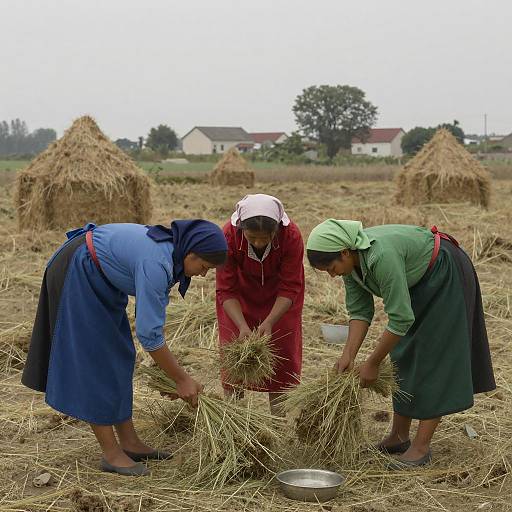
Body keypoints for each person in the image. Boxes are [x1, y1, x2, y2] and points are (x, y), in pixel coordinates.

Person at [22, 220, 227, 476]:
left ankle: (129, 442)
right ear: (191, 253)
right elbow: (149, 335)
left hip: (101, 279)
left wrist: (175, 377)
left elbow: (151, 328)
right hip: (78, 270)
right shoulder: (157, 262)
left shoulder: (170, 256)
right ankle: (111, 453)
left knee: (119, 354)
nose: (203, 274)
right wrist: (181, 379)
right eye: (204, 267)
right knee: (96, 363)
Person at [306, 219, 495, 468]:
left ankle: (420, 447)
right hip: (418, 281)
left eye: (331, 267)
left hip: (444, 273)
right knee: (402, 352)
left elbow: (400, 317)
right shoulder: (351, 265)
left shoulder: (381, 256)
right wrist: (348, 356)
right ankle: (398, 436)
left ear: (344, 252)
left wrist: (373, 363)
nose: (332, 275)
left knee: (433, 357)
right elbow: (360, 312)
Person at [216, 194, 305, 415]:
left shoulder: (291, 236)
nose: (258, 242)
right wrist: (242, 325)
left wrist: (270, 321)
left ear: (276, 230)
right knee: (234, 355)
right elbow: (226, 288)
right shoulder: (228, 235)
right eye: (252, 236)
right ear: (241, 228)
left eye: (265, 237)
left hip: (280, 301)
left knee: (281, 354)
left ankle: (278, 421)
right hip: (240, 298)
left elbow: (290, 286)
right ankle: (232, 418)